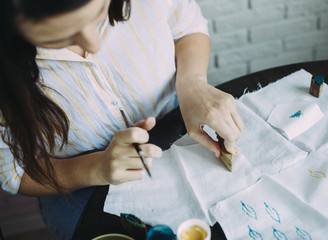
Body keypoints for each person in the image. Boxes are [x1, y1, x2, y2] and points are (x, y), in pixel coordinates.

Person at [0, 0, 244, 239]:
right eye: (60, 38)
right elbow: (13, 172)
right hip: (81, 186)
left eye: (98, 15)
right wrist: (97, 168)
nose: (94, 45)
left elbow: (188, 26)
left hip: (176, 136)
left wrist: (192, 83)